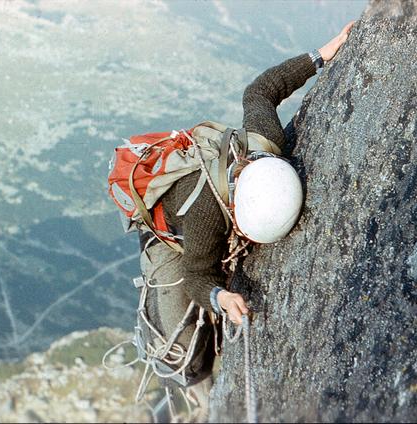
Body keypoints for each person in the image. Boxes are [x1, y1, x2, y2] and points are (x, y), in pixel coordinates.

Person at [118, 21, 354, 421]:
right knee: (179, 345)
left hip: (214, 210)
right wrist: (219, 296)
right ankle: (191, 396)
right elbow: (197, 273)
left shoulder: (266, 148)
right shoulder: (207, 212)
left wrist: (322, 55)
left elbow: (261, 91)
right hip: (171, 235)